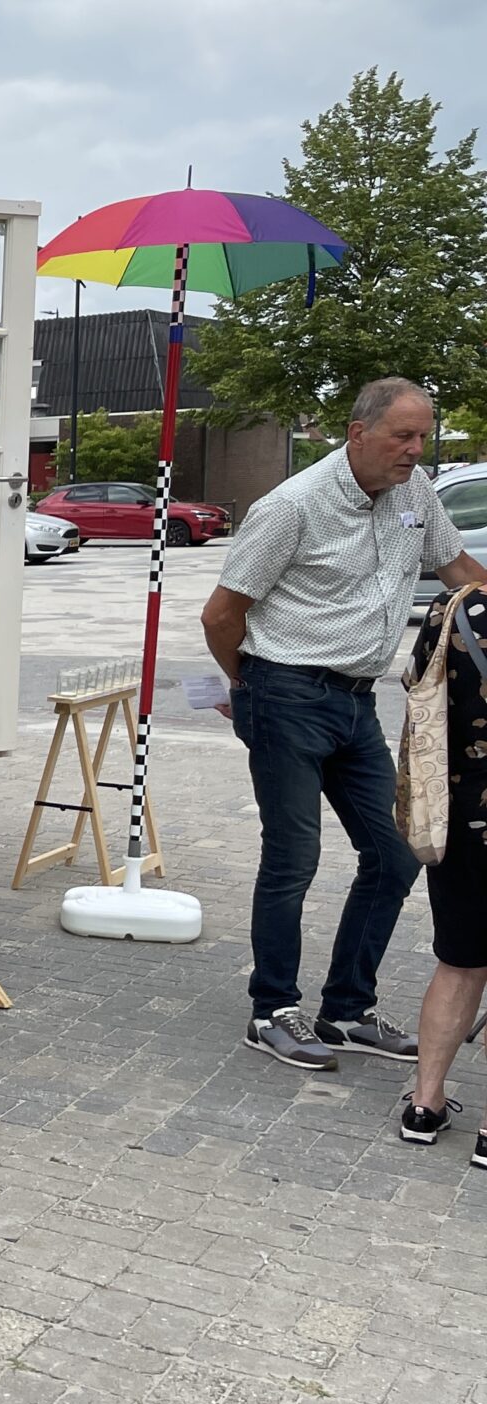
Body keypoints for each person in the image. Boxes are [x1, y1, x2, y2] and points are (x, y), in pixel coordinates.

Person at [202, 376, 487, 1070]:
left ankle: (346, 1010)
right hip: (285, 694)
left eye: (423, 437)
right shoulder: (292, 507)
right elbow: (220, 615)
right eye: (403, 436)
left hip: (357, 700)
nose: (416, 451)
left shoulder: (414, 496)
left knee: (395, 855)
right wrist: (248, 687)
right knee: (293, 858)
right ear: (358, 433)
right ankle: (271, 1009)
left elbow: (457, 569)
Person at [399, 586, 487, 1155]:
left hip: (458, 820)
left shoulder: (453, 608)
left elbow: (415, 682)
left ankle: (425, 1106)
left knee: (458, 962)